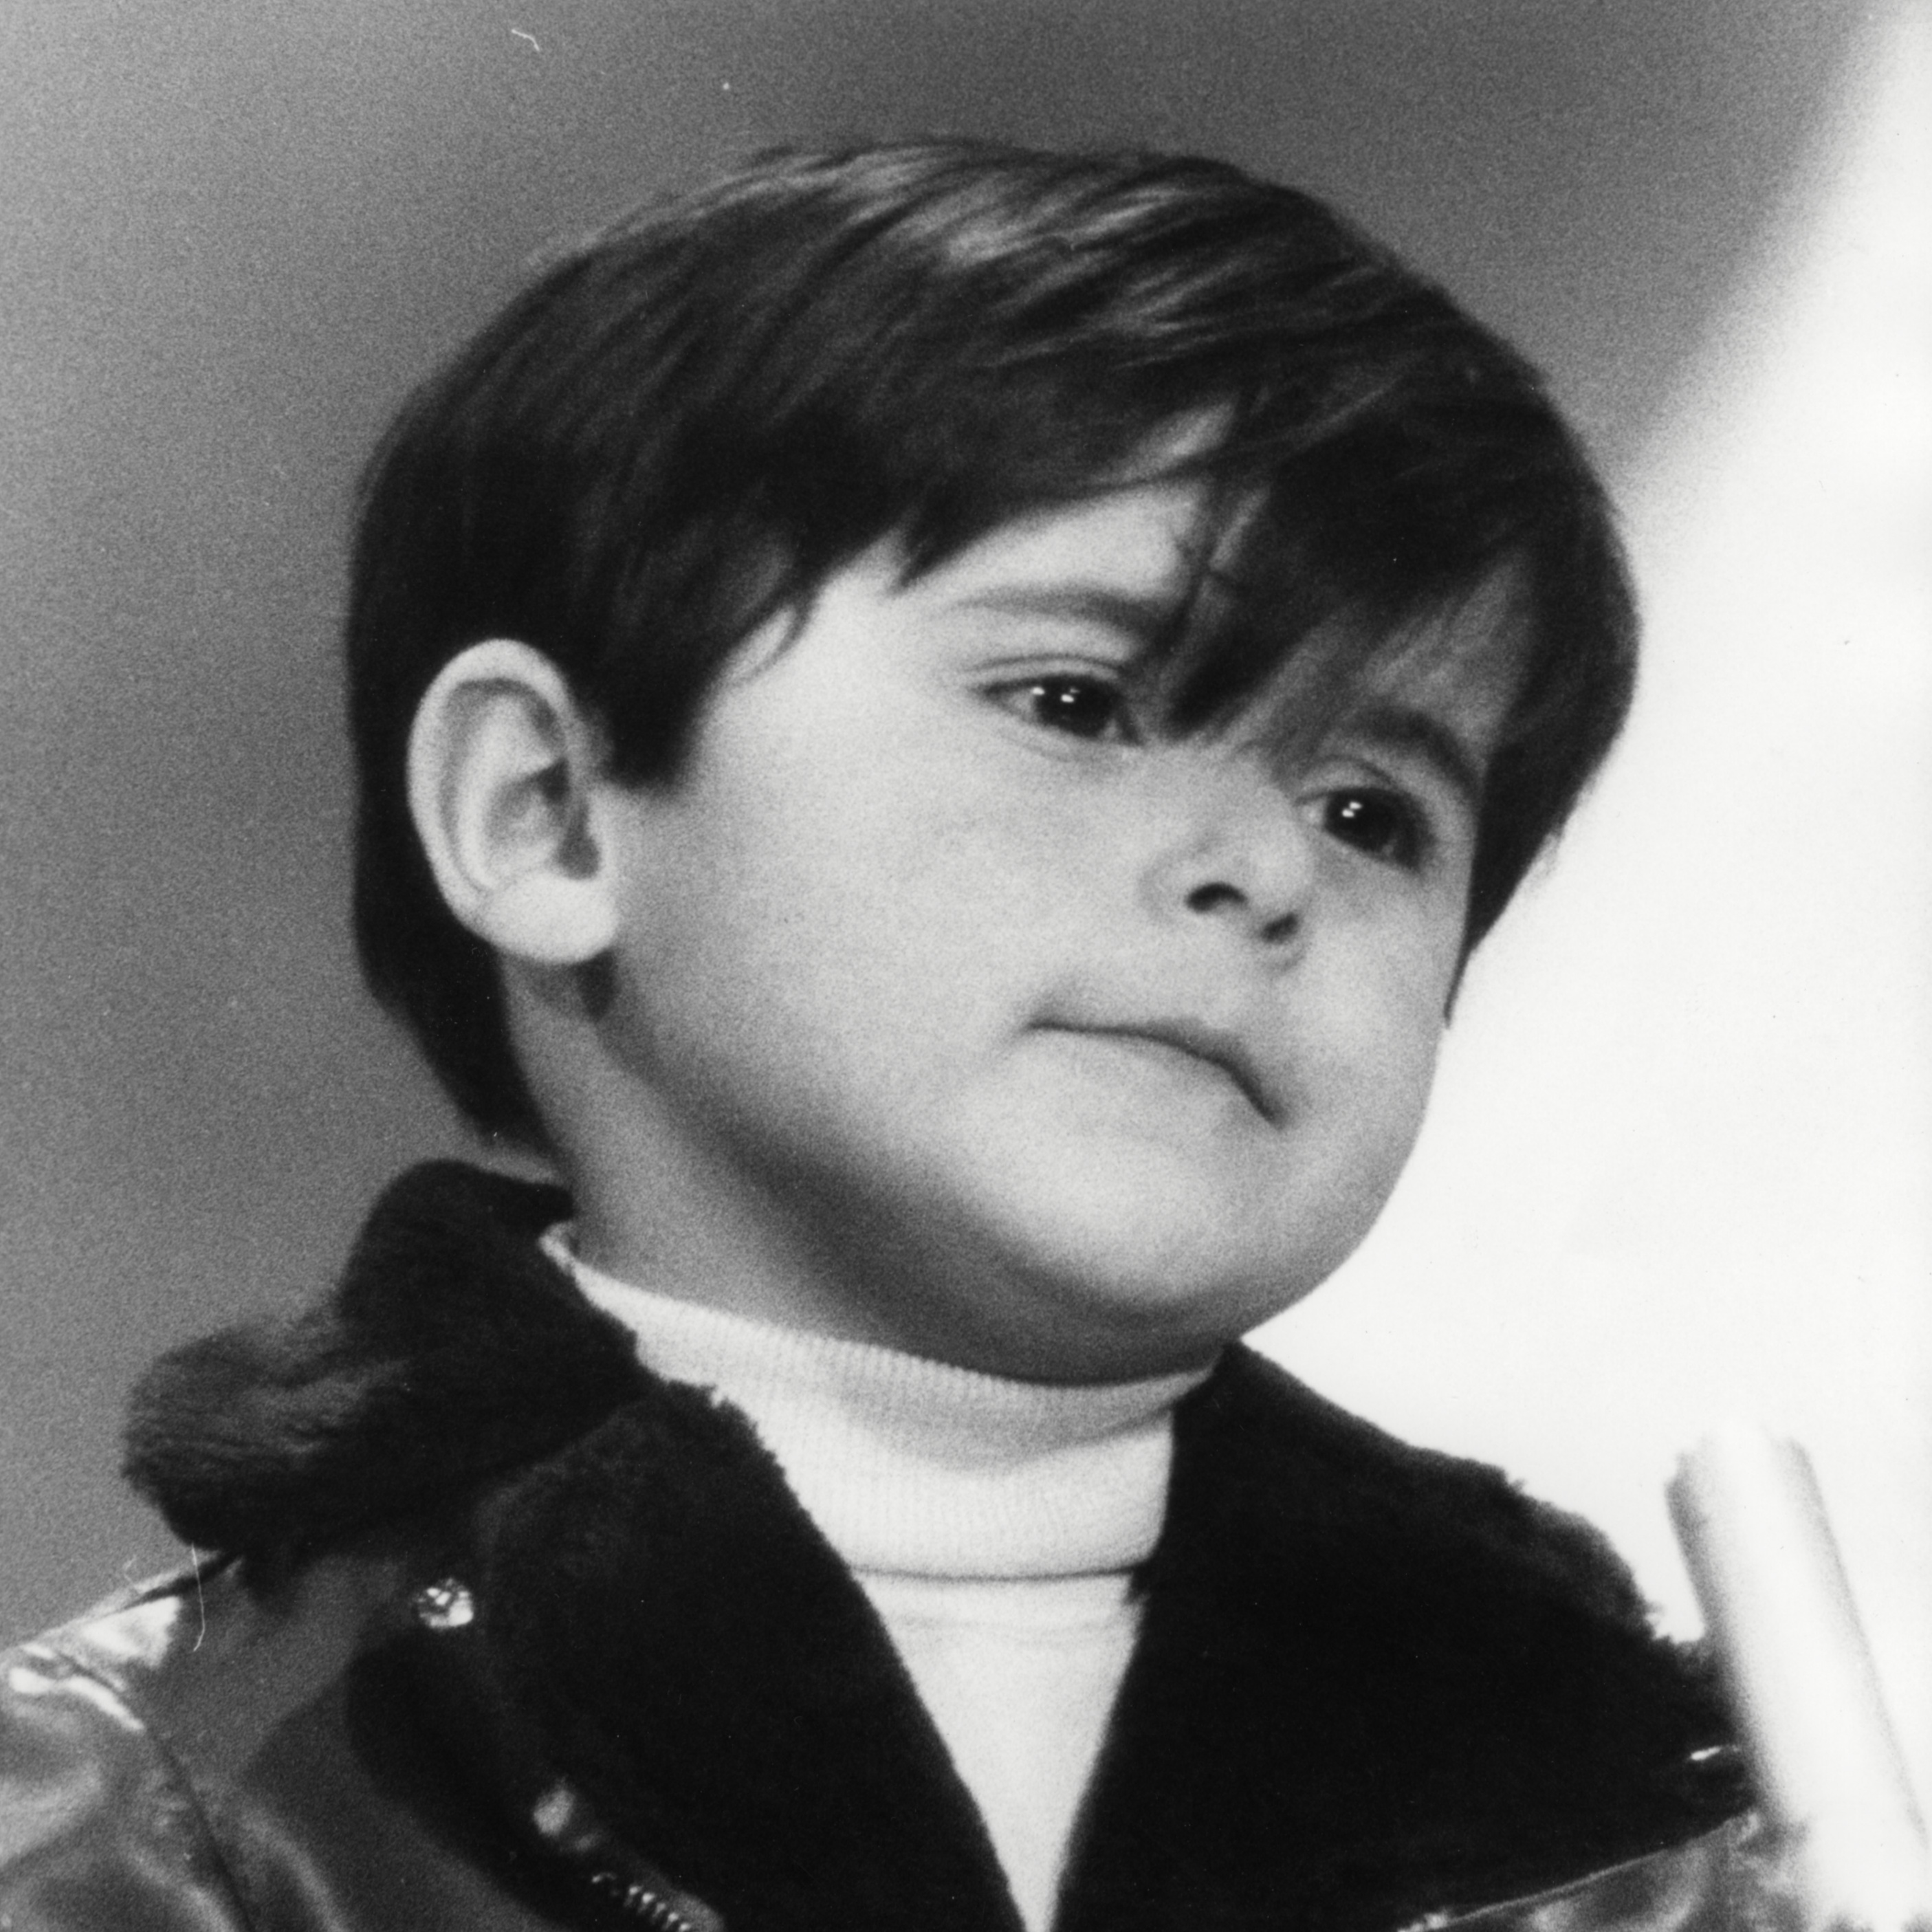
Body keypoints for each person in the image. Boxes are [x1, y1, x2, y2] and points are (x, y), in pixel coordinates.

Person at [0, 142, 1749, 1929]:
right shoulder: (131, 1829)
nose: (1261, 869)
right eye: (1076, 701)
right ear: (548, 813)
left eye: (1372, 814)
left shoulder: (1654, 1844)